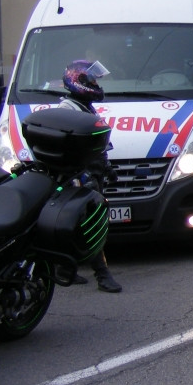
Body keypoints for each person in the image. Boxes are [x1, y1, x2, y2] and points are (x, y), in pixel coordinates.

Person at [58, 60, 122, 293]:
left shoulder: (84, 106)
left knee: (78, 224)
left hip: (93, 173)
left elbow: (95, 145)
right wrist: (80, 174)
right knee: (93, 224)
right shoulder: (67, 109)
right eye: (92, 80)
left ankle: (65, 270)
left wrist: (107, 168)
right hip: (78, 176)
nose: (96, 85)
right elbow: (70, 147)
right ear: (78, 82)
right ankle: (102, 275)